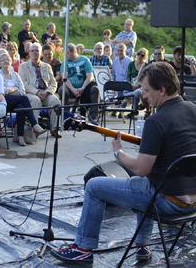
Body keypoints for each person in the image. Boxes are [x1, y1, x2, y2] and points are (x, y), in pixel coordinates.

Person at [51, 62, 196, 264]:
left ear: (161, 90)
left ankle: (83, 248)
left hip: (169, 203)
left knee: (94, 186)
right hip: (193, 203)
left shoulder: (156, 121)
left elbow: (142, 168)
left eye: (146, 90)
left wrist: (119, 152)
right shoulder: (193, 108)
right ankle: (142, 245)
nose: (143, 96)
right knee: (144, 183)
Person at [0, 51, 45, 146]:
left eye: (8, 60)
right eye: (3, 60)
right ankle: (34, 124)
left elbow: (22, 90)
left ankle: (20, 136)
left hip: (16, 100)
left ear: (11, 62)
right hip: (3, 100)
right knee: (24, 99)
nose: (6, 61)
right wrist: (14, 89)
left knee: (21, 107)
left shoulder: (15, 75)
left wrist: (12, 92)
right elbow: (3, 91)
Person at [19, 43, 62, 138]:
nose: (35, 53)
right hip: (31, 93)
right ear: (29, 53)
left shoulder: (47, 66)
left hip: (45, 92)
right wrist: (36, 92)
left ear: (41, 53)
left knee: (54, 100)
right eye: (32, 51)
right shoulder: (23, 66)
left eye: (37, 51)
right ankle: (35, 129)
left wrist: (47, 92)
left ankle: (54, 129)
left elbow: (53, 83)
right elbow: (23, 83)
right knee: (35, 100)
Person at [58, 43, 99, 123]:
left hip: (84, 86)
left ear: (73, 51)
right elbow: (64, 78)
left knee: (95, 89)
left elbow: (90, 76)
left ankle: (93, 117)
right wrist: (73, 89)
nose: (65, 55)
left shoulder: (85, 60)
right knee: (62, 90)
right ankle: (67, 116)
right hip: (70, 87)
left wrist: (82, 88)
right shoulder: (65, 62)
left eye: (67, 53)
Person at [126, 48, 150, 119]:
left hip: (141, 85)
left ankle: (134, 109)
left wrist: (138, 85)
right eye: (138, 54)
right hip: (131, 83)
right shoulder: (131, 64)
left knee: (137, 92)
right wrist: (130, 84)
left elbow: (145, 78)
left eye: (142, 55)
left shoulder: (146, 66)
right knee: (126, 90)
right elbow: (128, 75)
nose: (139, 56)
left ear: (145, 56)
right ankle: (125, 109)